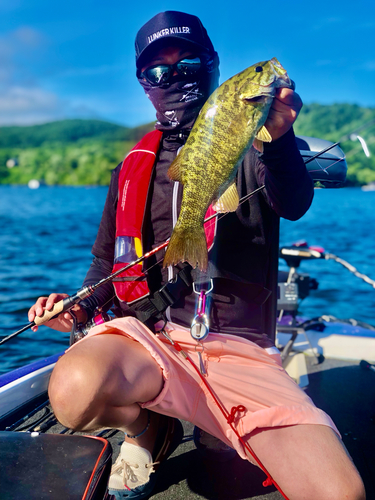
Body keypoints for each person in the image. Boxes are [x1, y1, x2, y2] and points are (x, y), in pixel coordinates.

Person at [28, 11, 365, 500]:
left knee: (339, 493)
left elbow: (293, 202)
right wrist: (75, 307)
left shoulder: (256, 144)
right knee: (75, 387)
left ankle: (214, 426)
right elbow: (107, 265)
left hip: (243, 352)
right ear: (144, 83)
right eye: (159, 71)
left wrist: (281, 137)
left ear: (212, 65)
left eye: (188, 63)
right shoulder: (131, 168)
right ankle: (149, 433)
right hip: (158, 340)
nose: (174, 77)